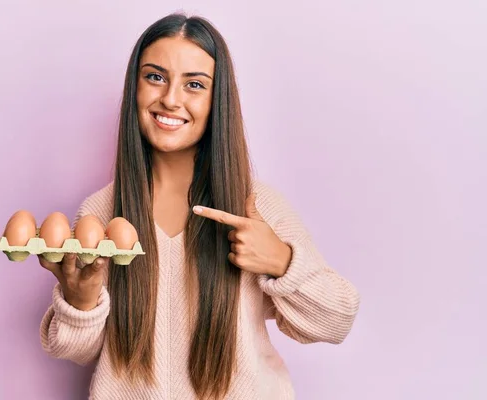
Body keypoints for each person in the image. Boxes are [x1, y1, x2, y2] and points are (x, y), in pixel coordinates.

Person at [37, 12, 360, 400]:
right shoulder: (102, 212)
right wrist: (82, 297)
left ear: (216, 100)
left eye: (194, 84)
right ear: (135, 88)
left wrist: (281, 261)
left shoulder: (256, 207)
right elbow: (76, 350)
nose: (170, 99)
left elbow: (335, 321)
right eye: (155, 77)